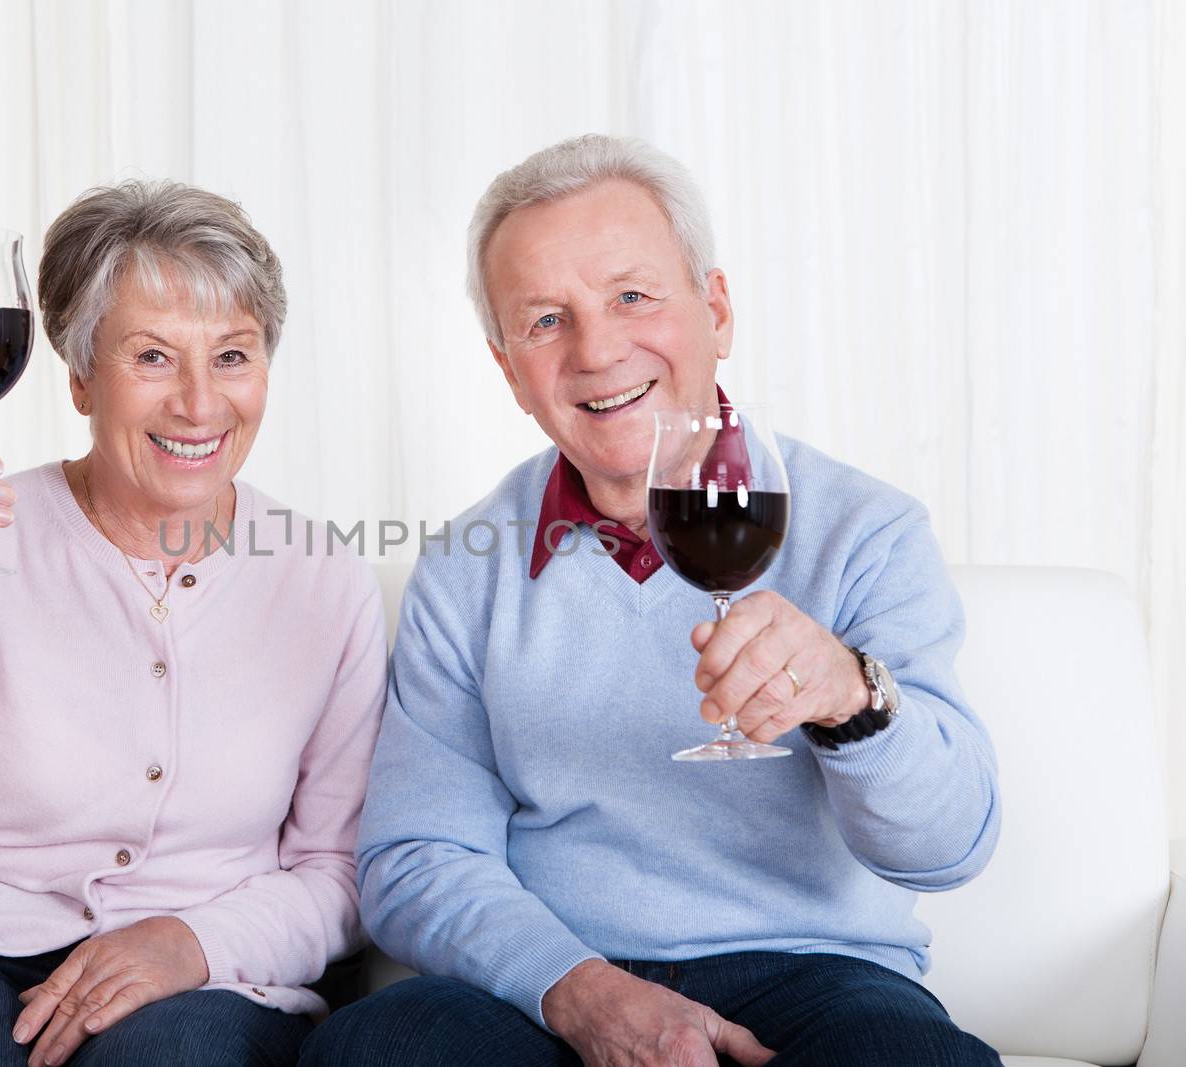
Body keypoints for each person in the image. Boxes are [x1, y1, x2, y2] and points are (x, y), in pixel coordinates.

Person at [301, 135, 1002, 1066]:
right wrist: (582, 991)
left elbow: (949, 847)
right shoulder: (468, 564)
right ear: (508, 366)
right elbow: (417, 857)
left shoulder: (865, 530)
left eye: (633, 296)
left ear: (715, 309)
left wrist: (849, 699)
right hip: (552, 987)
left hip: (815, 976)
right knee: (374, 1050)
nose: (597, 350)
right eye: (546, 320)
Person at [0, 180, 387, 1067]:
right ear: (81, 376)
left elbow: (340, 869)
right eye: (154, 357)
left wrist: (190, 941)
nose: (200, 405)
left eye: (233, 357)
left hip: (202, 978)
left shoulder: (324, 581)